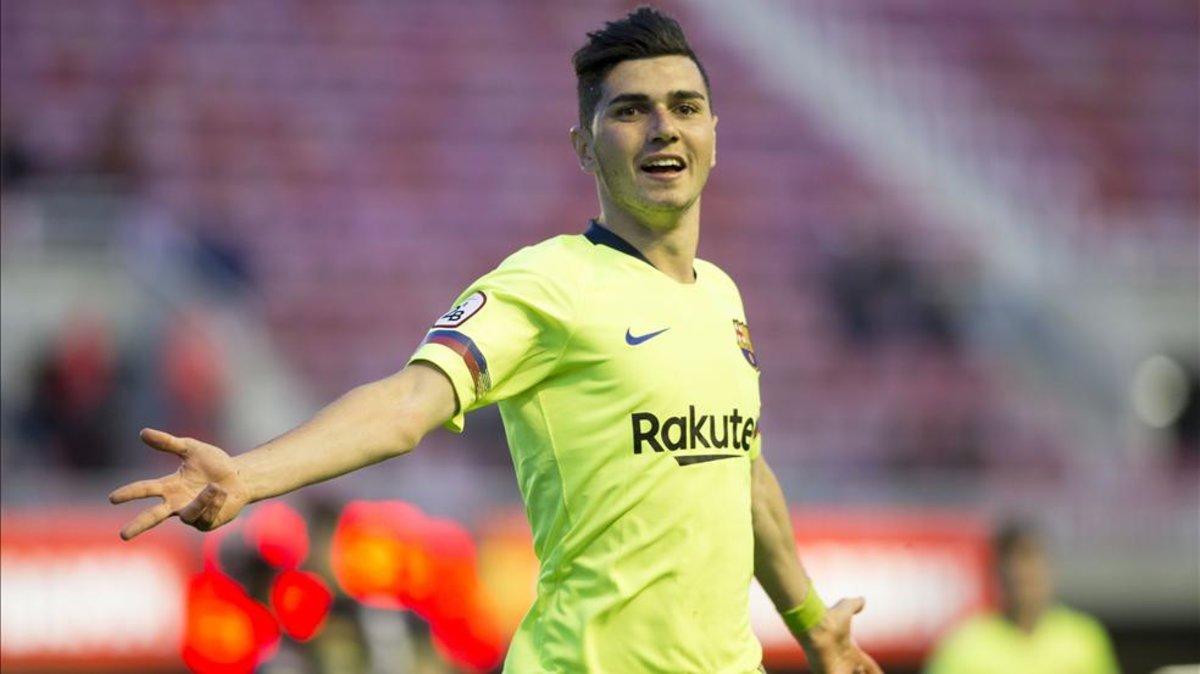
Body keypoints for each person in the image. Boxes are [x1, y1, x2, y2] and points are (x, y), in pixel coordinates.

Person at [111, 8, 881, 674]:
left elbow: (742, 476)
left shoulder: (722, 297)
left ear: (714, 132)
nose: (662, 128)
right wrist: (248, 474)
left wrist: (813, 626)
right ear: (584, 145)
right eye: (630, 111)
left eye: (685, 106)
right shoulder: (546, 283)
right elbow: (408, 402)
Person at [924, 521, 1120, 674]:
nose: (1023, 575)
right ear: (998, 573)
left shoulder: (1084, 638)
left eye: (1031, 562)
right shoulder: (965, 643)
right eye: (1014, 566)